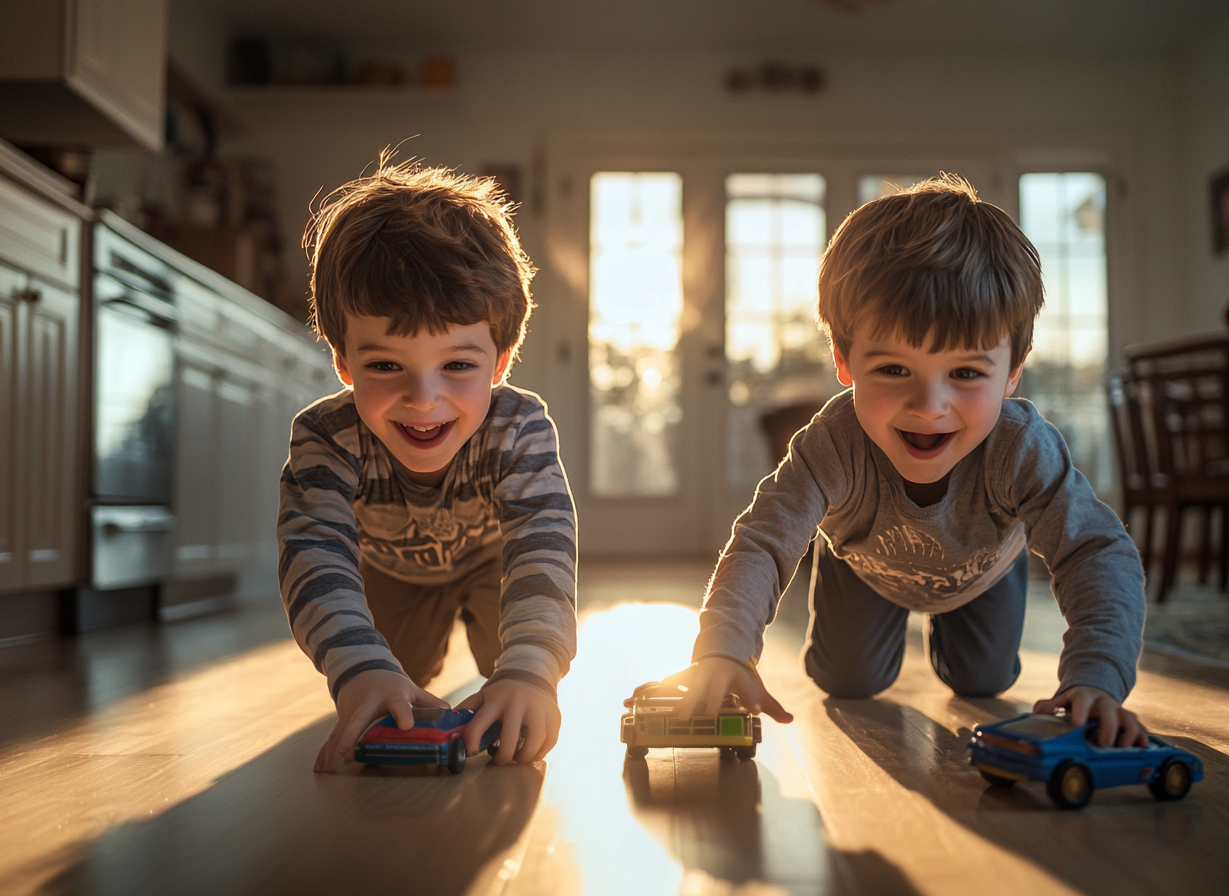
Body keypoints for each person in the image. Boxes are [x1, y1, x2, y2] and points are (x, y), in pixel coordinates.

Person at [675, 175, 1148, 748]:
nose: (928, 407)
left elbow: (1095, 550)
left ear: (1013, 372)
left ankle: (975, 623)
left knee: (984, 680)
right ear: (844, 362)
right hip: (866, 566)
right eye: (894, 370)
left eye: (967, 374)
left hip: (983, 570)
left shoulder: (1022, 448)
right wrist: (724, 650)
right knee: (844, 681)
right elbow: (762, 543)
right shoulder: (832, 443)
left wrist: (1097, 678)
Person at [278, 156, 577, 773]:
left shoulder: (518, 427)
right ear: (343, 364)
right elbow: (315, 554)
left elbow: (542, 544)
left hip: (495, 563)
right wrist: (360, 668)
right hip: (392, 572)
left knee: (518, 675)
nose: (423, 399)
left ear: (500, 364)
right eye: (385, 366)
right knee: (391, 690)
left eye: (458, 367)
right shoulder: (324, 438)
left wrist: (530, 669)